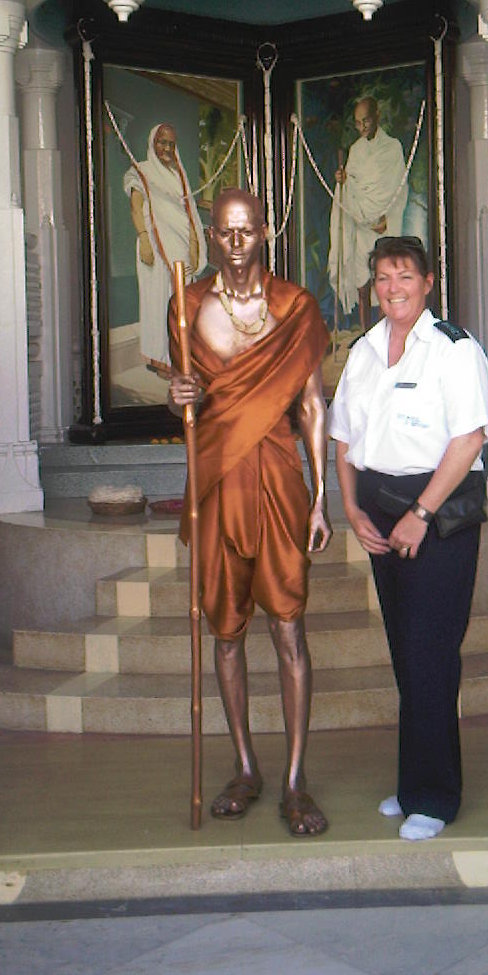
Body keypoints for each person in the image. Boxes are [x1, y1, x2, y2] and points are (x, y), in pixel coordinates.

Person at [168, 188, 331, 836]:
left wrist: (322, 496)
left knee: (288, 627)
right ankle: (244, 766)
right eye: (225, 232)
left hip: (279, 476)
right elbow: (190, 397)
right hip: (218, 480)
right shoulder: (186, 305)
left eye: (248, 231)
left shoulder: (295, 307)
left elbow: (312, 405)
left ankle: (294, 780)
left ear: (266, 233)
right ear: (211, 236)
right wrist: (179, 394)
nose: (236, 244)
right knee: (226, 632)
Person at [328, 236, 488, 841]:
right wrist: (351, 506)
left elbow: (469, 439)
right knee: (405, 650)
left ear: (427, 283)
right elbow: (344, 437)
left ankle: (435, 797)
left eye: (403, 276)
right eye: (382, 277)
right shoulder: (365, 351)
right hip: (378, 509)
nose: (392, 288)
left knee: (431, 651)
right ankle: (412, 783)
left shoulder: (453, 349)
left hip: (437, 514)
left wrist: (420, 513)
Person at [124, 122, 207, 375]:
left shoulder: (178, 175)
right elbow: (136, 208)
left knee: (184, 300)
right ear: (153, 143)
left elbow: (188, 213)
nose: (167, 148)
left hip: (180, 246)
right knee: (159, 301)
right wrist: (144, 240)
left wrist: (194, 246)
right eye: (162, 142)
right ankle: (162, 359)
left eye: (171, 144)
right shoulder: (141, 170)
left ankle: (181, 357)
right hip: (155, 247)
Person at [328, 97, 407, 331]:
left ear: (377, 117)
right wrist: (342, 180)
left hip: (383, 226)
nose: (362, 127)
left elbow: (398, 187)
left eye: (366, 121)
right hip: (361, 224)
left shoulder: (392, 147)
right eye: (357, 122)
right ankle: (365, 332)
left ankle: (386, 332)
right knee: (362, 280)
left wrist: (388, 218)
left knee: (384, 281)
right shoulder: (356, 149)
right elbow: (351, 187)